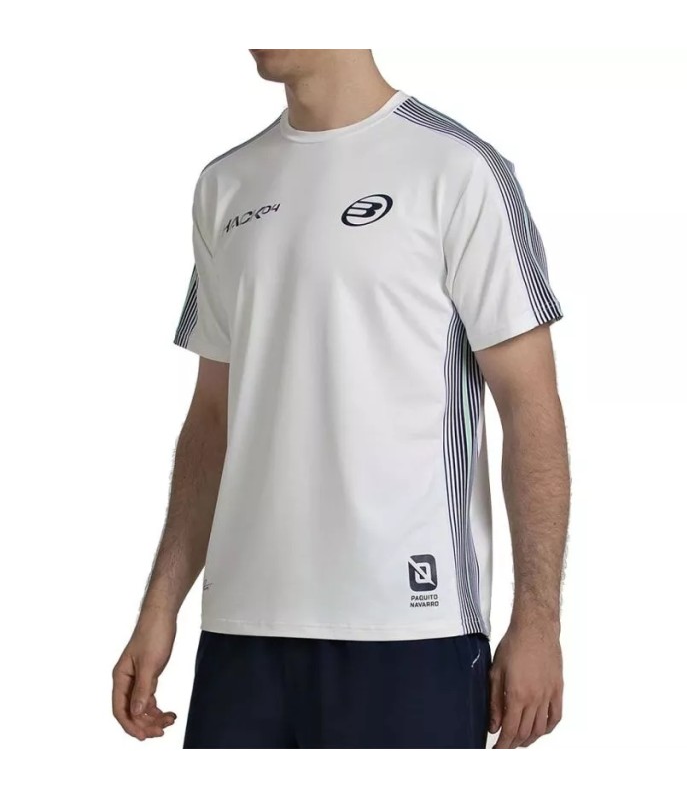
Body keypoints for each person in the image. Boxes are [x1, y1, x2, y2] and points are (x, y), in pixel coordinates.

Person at [112, 49, 569, 749]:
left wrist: (537, 621)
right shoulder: (226, 184)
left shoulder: (457, 169)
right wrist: (159, 606)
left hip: (411, 628)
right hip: (242, 634)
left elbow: (529, 406)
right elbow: (213, 418)